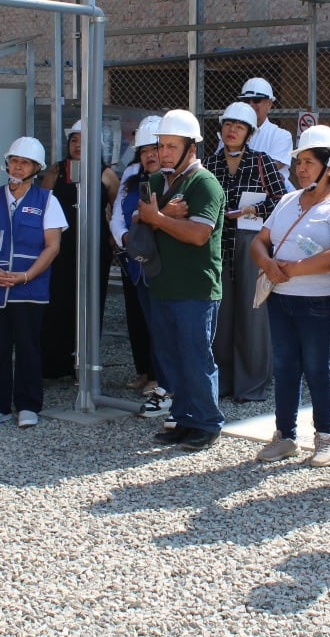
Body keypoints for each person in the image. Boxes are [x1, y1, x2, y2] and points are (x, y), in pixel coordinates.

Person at [250, 124, 330, 466]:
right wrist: (268, 264)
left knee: (317, 368)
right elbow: (259, 241)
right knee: (285, 367)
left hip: (320, 300)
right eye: (299, 162)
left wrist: (293, 268)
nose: (301, 168)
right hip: (281, 297)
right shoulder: (286, 200)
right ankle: (285, 436)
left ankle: (325, 438)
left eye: (309, 162)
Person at [136, 109, 225, 451]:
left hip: (195, 287)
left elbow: (199, 234)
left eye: (172, 146)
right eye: (162, 145)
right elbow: (137, 217)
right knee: (171, 359)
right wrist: (157, 216)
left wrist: (157, 218)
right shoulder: (159, 181)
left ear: (192, 147)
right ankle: (183, 419)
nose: (164, 152)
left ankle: (206, 423)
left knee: (196, 358)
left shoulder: (204, 183)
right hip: (163, 284)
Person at [0, 136, 65, 428]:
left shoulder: (47, 200)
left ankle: (28, 404)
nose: (18, 167)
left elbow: (52, 246)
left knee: (28, 347)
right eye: (14, 161)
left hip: (29, 288)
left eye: (25, 163)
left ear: (36, 168)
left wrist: (26, 275)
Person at [205, 101, 285, 402]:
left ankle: (251, 385)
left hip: (252, 242)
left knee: (253, 314)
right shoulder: (209, 164)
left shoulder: (262, 161)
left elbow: (282, 200)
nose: (232, 130)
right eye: (228, 125)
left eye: (239, 127)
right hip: (218, 243)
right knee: (221, 313)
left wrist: (254, 209)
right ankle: (222, 382)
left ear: (249, 133)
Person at [41, 121, 120, 379]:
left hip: (95, 248)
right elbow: (42, 205)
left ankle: (85, 362)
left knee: (91, 301)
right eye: (74, 140)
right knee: (58, 302)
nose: (77, 145)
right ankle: (56, 362)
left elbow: (116, 208)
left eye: (83, 140)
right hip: (60, 248)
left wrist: (113, 237)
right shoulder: (55, 172)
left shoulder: (106, 174)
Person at [110, 116, 170, 416]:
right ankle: (145, 372)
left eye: (154, 149)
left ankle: (162, 378)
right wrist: (125, 239)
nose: (149, 155)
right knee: (139, 318)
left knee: (161, 322)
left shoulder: (173, 179)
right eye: (144, 150)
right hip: (133, 258)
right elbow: (117, 214)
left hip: (162, 263)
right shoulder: (132, 175)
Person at [237, 76, 295, 186]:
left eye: (256, 100)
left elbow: (269, 168)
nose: (251, 105)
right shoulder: (231, 133)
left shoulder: (281, 136)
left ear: (269, 103)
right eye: (246, 101)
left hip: (270, 192)